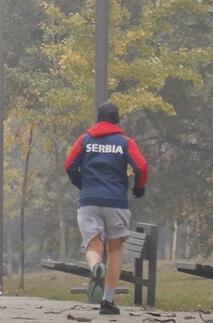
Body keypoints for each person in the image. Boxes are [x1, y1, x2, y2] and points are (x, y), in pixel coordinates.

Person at [63, 101, 148, 316]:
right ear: (117, 120)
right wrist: (139, 186)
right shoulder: (125, 142)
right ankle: (107, 301)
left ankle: (95, 269)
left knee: (93, 246)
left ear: (98, 119)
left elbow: (69, 165)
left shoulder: (85, 140)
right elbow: (141, 166)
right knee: (115, 249)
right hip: (116, 202)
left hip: (89, 201)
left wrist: (82, 184)